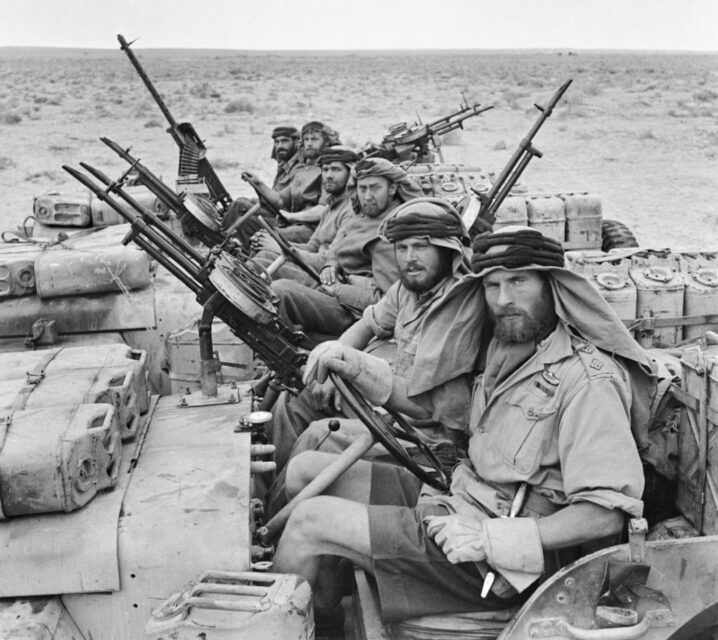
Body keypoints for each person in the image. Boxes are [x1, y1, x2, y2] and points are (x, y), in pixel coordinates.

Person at [274, 226, 657, 633]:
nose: (504, 300)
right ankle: (324, 608)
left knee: (309, 522)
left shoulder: (587, 382)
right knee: (306, 472)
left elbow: (604, 515)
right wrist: (356, 366)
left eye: (518, 282)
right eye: (492, 286)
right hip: (455, 500)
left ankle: (297, 624)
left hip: (496, 563)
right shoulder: (503, 351)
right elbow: (436, 407)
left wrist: (492, 537)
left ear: (553, 287)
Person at [266, 197, 472, 473]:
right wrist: (331, 360)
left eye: (422, 247)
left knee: (316, 438)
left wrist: (357, 372)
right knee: (295, 395)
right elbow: (367, 324)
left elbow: (428, 407)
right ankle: (268, 492)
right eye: (402, 248)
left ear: (448, 251)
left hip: (428, 439)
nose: (410, 258)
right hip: (395, 409)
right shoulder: (408, 290)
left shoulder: (461, 306)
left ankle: (279, 499)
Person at [271, 157, 423, 344]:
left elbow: (388, 301)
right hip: (334, 288)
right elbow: (340, 247)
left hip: (355, 314)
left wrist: (338, 289)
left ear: (392, 189)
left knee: (281, 291)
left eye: (375, 188)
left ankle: (291, 356)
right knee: (267, 273)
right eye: (362, 188)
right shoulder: (363, 217)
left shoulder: (390, 233)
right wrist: (331, 266)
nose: (367, 197)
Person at [251, 145, 359, 286]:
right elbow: (312, 246)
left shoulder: (351, 211)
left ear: (350, 173)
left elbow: (328, 261)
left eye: (336, 169)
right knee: (263, 255)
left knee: (261, 265)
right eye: (325, 170)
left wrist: (279, 248)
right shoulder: (330, 208)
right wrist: (277, 242)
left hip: (327, 280)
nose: (328, 175)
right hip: (313, 268)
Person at [225, 121, 341, 244]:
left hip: (314, 229)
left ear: (327, 142)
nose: (309, 143)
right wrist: (258, 183)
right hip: (295, 224)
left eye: (314, 139)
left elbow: (324, 209)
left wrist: (292, 217)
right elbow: (279, 200)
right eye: (306, 139)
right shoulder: (305, 171)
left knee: (261, 233)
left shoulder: (328, 171)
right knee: (249, 222)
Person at [270, 125, 302, 191]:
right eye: (277, 142)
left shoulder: (300, 166)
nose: (280, 146)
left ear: (296, 143)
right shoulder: (283, 166)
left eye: (284, 141)